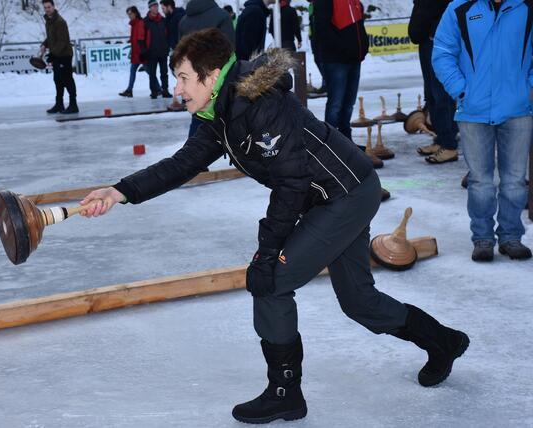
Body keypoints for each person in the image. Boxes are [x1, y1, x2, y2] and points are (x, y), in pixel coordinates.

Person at [79, 29, 469, 424]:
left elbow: (291, 183)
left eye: (183, 78)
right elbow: (183, 163)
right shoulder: (223, 111)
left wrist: (268, 252)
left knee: (270, 281)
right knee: (359, 302)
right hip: (331, 196)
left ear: (212, 76)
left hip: (346, 193)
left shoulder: (259, 104)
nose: (177, 88)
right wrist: (119, 192)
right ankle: (444, 341)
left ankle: (284, 393)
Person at [432, 0, 533, 261]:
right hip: (473, 111)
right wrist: (462, 90)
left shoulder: (526, 6)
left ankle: (511, 237)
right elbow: (442, 52)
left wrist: (528, 89)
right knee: (481, 182)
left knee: (515, 181)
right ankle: (483, 238)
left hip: (518, 109)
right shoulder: (460, 8)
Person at [409, 0, 459, 163]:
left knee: (441, 97)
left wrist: (436, 30)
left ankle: (449, 145)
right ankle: (441, 140)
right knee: (431, 95)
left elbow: (450, 8)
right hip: (425, 41)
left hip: (437, 42)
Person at [178, 0, 236, 136]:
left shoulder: (183, 21)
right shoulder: (222, 17)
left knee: (199, 126)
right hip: (219, 80)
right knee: (231, 125)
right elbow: (230, 51)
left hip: (195, 82)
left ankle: (191, 155)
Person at [313, 0, 368, 141]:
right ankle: (330, 142)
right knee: (336, 104)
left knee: (349, 104)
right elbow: (321, 29)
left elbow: (359, 26)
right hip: (336, 60)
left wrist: (363, 46)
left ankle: (346, 140)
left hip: (354, 59)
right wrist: (344, 48)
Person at [39, 0, 78, 114]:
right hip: (57, 55)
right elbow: (51, 38)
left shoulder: (60, 22)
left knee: (67, 79)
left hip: (64, 55)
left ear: (53, 7)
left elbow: (63, 41)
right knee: (57, 80)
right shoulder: (49, 21)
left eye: (49, 7)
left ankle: (73, 105)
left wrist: (52, 53)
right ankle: (59, 104)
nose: (47, 9)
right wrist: (44, 44)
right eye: (45, 7)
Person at [144, 0, 172, 99]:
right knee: (152, 74)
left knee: (164, 73)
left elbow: (168, 34)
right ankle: (154, 91)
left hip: (163, 51)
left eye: (156, 6)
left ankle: (165, 90)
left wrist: (167, 46)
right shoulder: (145, 21)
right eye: (153, 6)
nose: (155, 8)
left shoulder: (163, 20)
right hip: (151, 52)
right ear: (150, 8)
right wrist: (144, 50)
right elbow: (143, 38)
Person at [119, 6, 147, 98]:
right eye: (128, 14)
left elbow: (140, 38)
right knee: (133, 71)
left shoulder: (139, 23)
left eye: (130, 14)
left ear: (135, 13)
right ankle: (129, 90)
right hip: (136, 52)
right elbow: (135, 38)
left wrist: (142, 52)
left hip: (140, 53)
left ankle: (159, 89)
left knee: (149, 72)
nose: (129, 16)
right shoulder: (134, 24)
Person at [307, 0, 326, 93]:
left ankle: (326, 84)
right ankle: (326, 82)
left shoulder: (320, 4)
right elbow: (312, 22)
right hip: (314, 39)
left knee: (322, 61)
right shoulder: (311, 6)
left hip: (321, 38)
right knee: (318, 60)